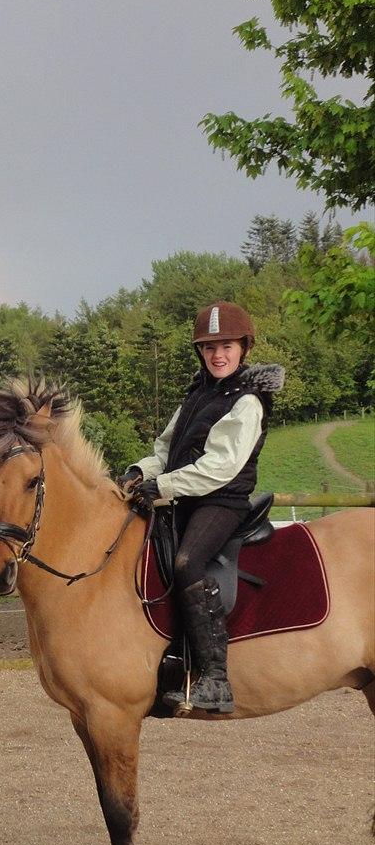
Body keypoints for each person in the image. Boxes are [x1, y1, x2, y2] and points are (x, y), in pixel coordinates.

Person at [120, 302, 284, 713]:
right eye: (209, 347)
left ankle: (215, 679)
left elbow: (220, 467)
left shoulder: (248, 401)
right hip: (183, 494)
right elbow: (166, 449)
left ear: (243, 348)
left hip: (221, 500)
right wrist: (138, 472)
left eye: (226, 345)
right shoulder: (199, 393)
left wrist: (163, 486)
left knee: (187, 561)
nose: (218, 355)